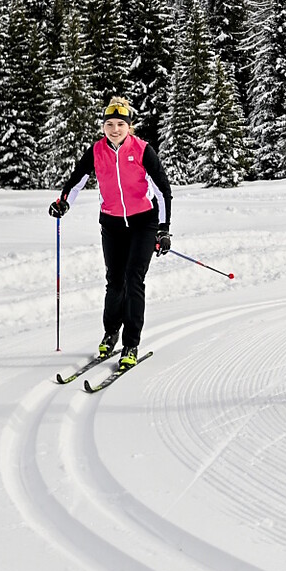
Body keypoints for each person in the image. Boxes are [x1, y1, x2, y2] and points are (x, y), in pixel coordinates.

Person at [50, 96, 173, 369]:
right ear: (103, 126)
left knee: (133, 278)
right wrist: (63, 202)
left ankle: (131, 342)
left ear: (129, 125)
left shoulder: (142, 150)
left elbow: (163, 191)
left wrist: (164, 230)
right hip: (112, 223)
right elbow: (77, 180)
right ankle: (110, 332)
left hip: (143, 222)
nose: (114, 129)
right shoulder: (96, 151)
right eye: (109, 124)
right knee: (114, 281)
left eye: (120, 124)